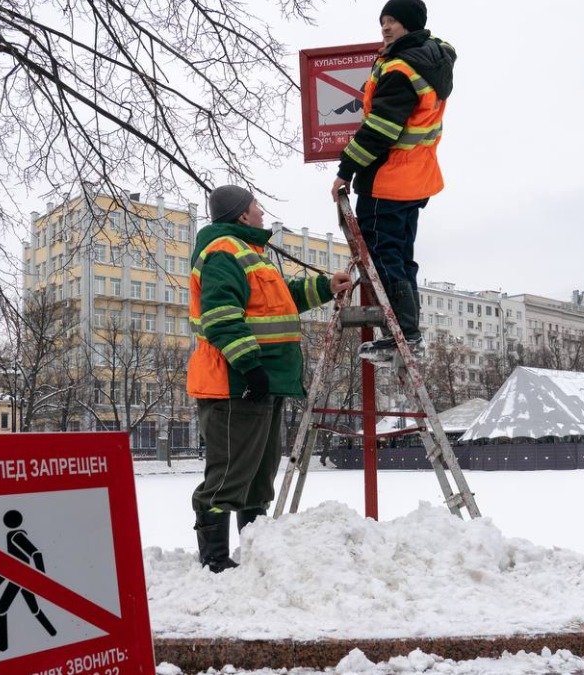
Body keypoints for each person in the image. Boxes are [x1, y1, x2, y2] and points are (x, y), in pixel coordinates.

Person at [187, 185, 352, 573]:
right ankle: (213, 560)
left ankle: (253, 555)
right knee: (228, 476)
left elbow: (283, 299)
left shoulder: (253, 255)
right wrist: (250, 366)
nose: (262, 213)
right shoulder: (224, 252)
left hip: (262, 383)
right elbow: (221, 318)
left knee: (257, 480)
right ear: (243, 215)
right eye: (256, 206)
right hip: (235, 384)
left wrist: (325, 287)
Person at [331, 0, 455, 362]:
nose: (386, 28)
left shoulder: (401, 67)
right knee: (401, 256)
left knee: (385, 256)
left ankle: (402, 336)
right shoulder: (429, 61)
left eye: (394, 21)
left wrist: (345, 170)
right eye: (383, 21)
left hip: (388, 180)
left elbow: (380, 129)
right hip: (415, 179)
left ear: (411, 25)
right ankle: (408, 335)